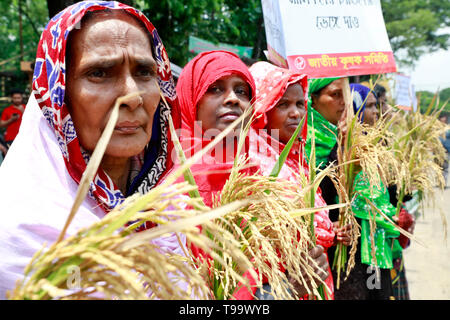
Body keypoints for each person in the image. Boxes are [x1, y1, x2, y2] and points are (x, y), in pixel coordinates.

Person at [0, 1, 187, 299]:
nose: (132, 96)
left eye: (144, 72)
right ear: (58, 95)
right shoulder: (17, 227)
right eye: (100, 72)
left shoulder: (172, 207)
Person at [175, 51, 330, 300]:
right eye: (215, 88)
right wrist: (288, 292)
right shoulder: (173, 187)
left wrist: (304, 271)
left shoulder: (254, 176)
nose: (233, 99)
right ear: (190, 98)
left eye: (242, 91)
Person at [249, 61, 352, 299]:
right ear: (262, 109)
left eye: (298, 103)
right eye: (282, 104)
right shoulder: (255, 164)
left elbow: (307, 223)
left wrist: (330, 231)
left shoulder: (296, 158)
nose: (296, 112)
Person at [336, 83, 399, 300]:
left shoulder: (377, 148)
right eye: (369, 106)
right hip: (350, 250)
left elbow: (391, 193)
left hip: (376, 242)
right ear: (354, 109)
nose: (376, 112)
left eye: (376, 105)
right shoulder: (336, 150)